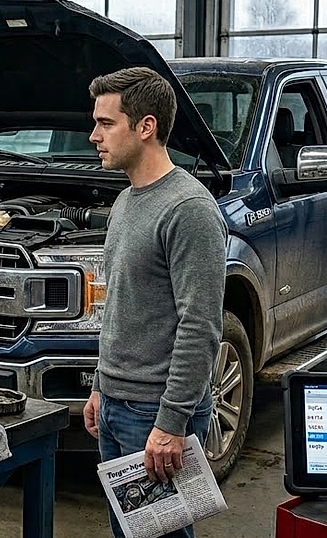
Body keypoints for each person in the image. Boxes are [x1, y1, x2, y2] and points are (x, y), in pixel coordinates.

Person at [81, 67, 225, 538]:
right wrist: (101, 385)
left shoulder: (189, 210)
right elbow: (121, 306)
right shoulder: (127, 200)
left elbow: (200, 325)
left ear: (146, 127)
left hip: (156, 412)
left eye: (106, 124)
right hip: (118, 404)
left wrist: (172, 422)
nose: (93, 135)